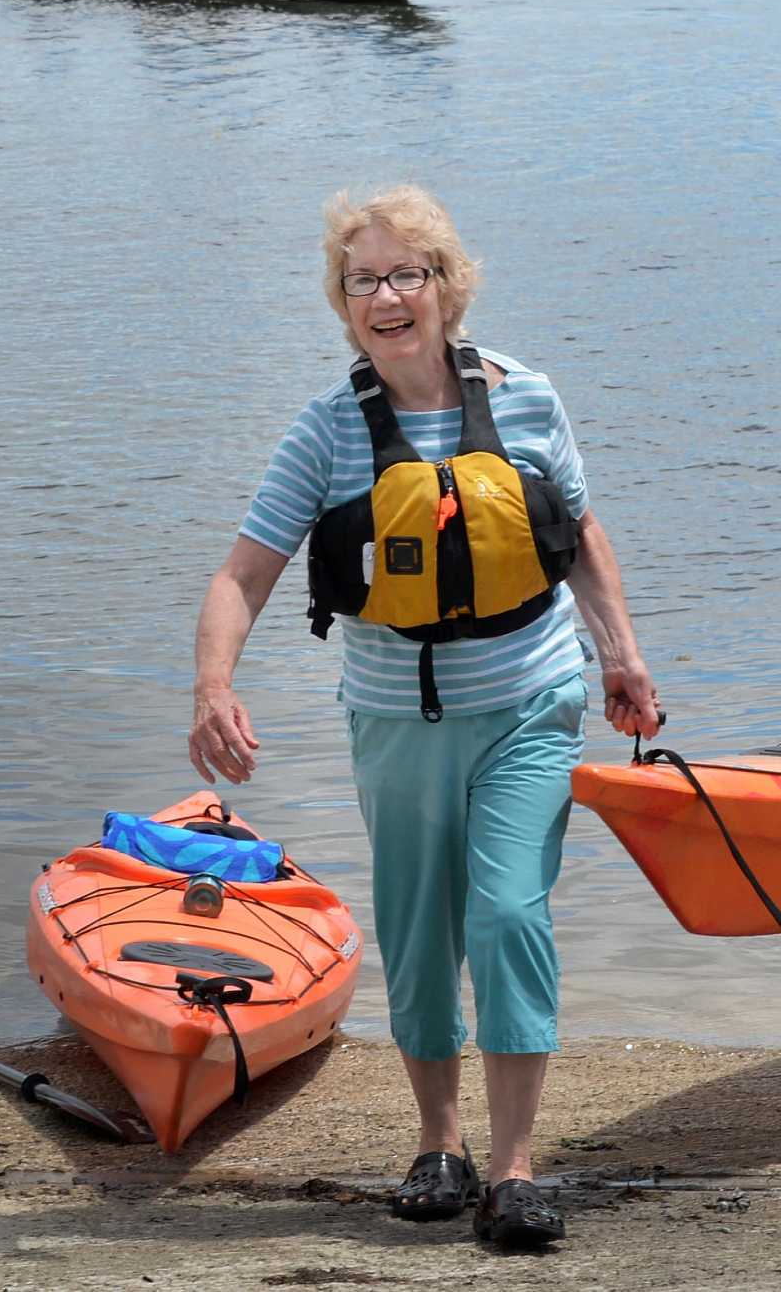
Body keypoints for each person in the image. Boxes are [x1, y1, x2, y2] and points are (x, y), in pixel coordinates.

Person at [188, 185, 661, 1248]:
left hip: (530, 701)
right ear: (342, 302)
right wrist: (214, 685)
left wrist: (621, 654)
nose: (385, 296)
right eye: (361, 280)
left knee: (508, 915)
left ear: (448, 285)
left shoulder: (528, 397)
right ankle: (439, 1145)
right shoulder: (325, 430)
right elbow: (242, 574)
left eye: (406, 273)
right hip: (397, 718)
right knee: (417, 932)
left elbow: (580, 533)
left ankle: (514, 1167)